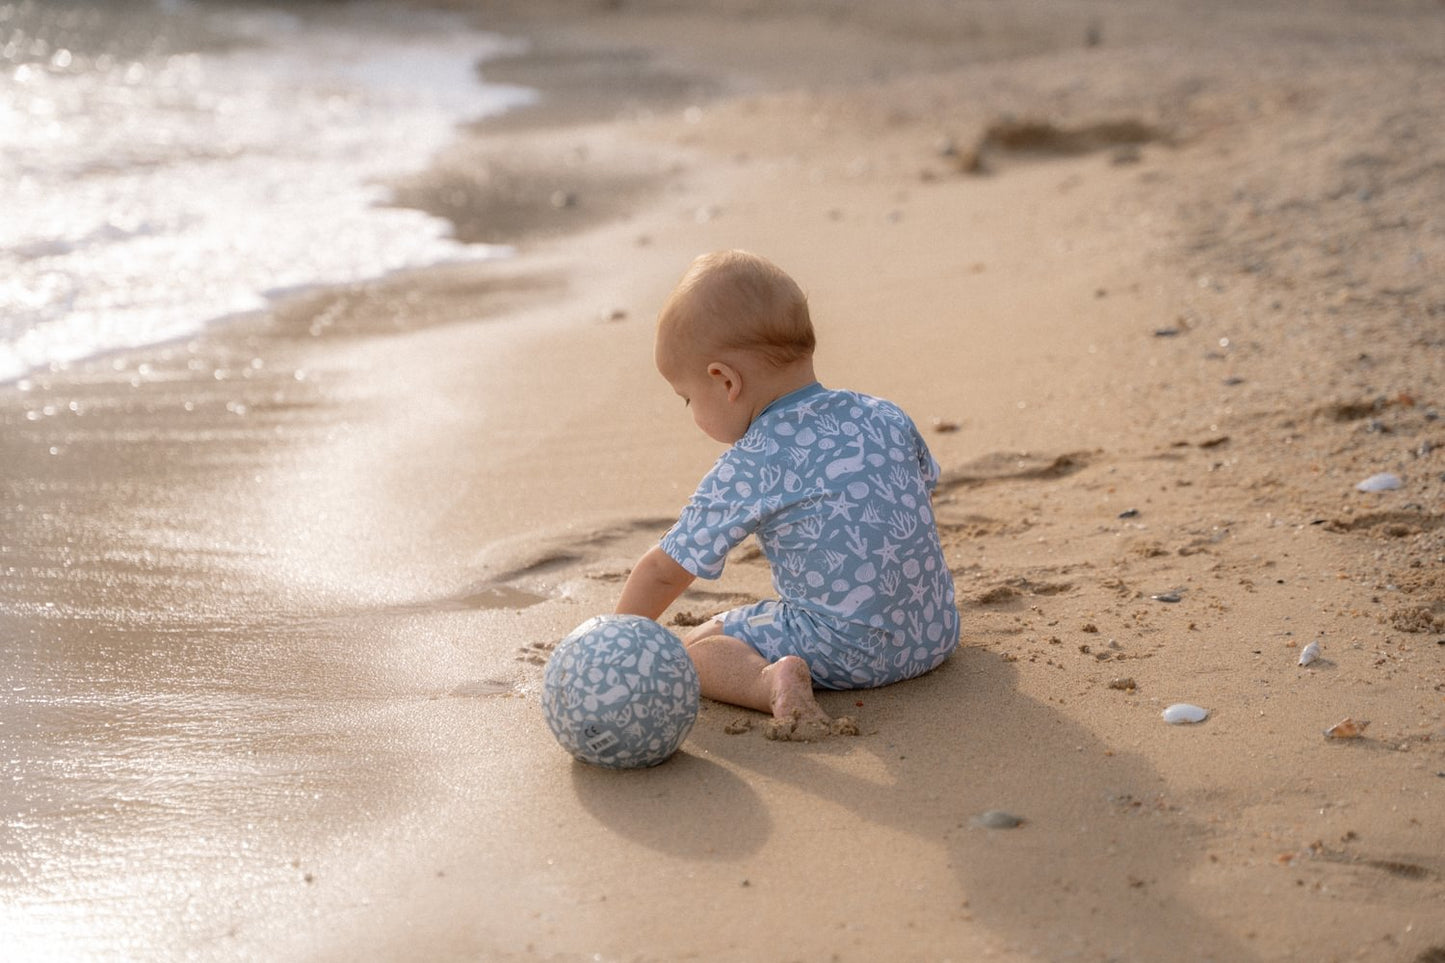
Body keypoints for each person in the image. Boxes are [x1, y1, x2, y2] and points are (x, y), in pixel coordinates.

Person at [615, 250, 959, 740]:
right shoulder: (885, 415)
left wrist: (614, 640)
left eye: (688, 399)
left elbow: (664, 569)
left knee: (703, 647)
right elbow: (918, 489)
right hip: (934, 635)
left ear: (725, 380)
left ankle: (768, 683)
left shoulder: (751, 462)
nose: (692, 412)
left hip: (846, 654)